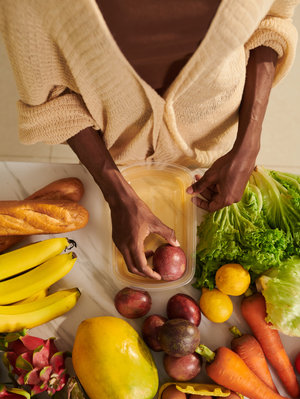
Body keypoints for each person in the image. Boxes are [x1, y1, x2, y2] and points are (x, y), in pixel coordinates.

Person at [0, 0, 299, 279]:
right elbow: (53, 100)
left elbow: (271, 25)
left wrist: (247, 145)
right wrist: (117, 194)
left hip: (219, 133)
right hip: (111, 146)